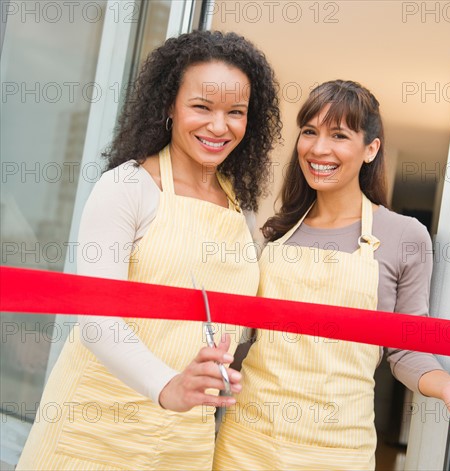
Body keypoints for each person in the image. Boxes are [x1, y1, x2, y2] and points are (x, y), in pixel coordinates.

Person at [213, 80, 450, 470]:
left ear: (371, 149)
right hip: (247, 440)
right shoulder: (274, 234)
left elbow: (405, 347)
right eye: (310, 132)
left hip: (338, 447)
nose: (319, 148)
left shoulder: (403, 235)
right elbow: (245, 337)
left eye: (338, 135)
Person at [17, 30, 281, 471]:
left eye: (236, 112)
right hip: (95, 426)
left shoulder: (242, 208)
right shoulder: (127, 187)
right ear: (168, 106)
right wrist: (168, 384)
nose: (220, 126)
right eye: (202, 107)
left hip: (184, 437)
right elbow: (98, 321)